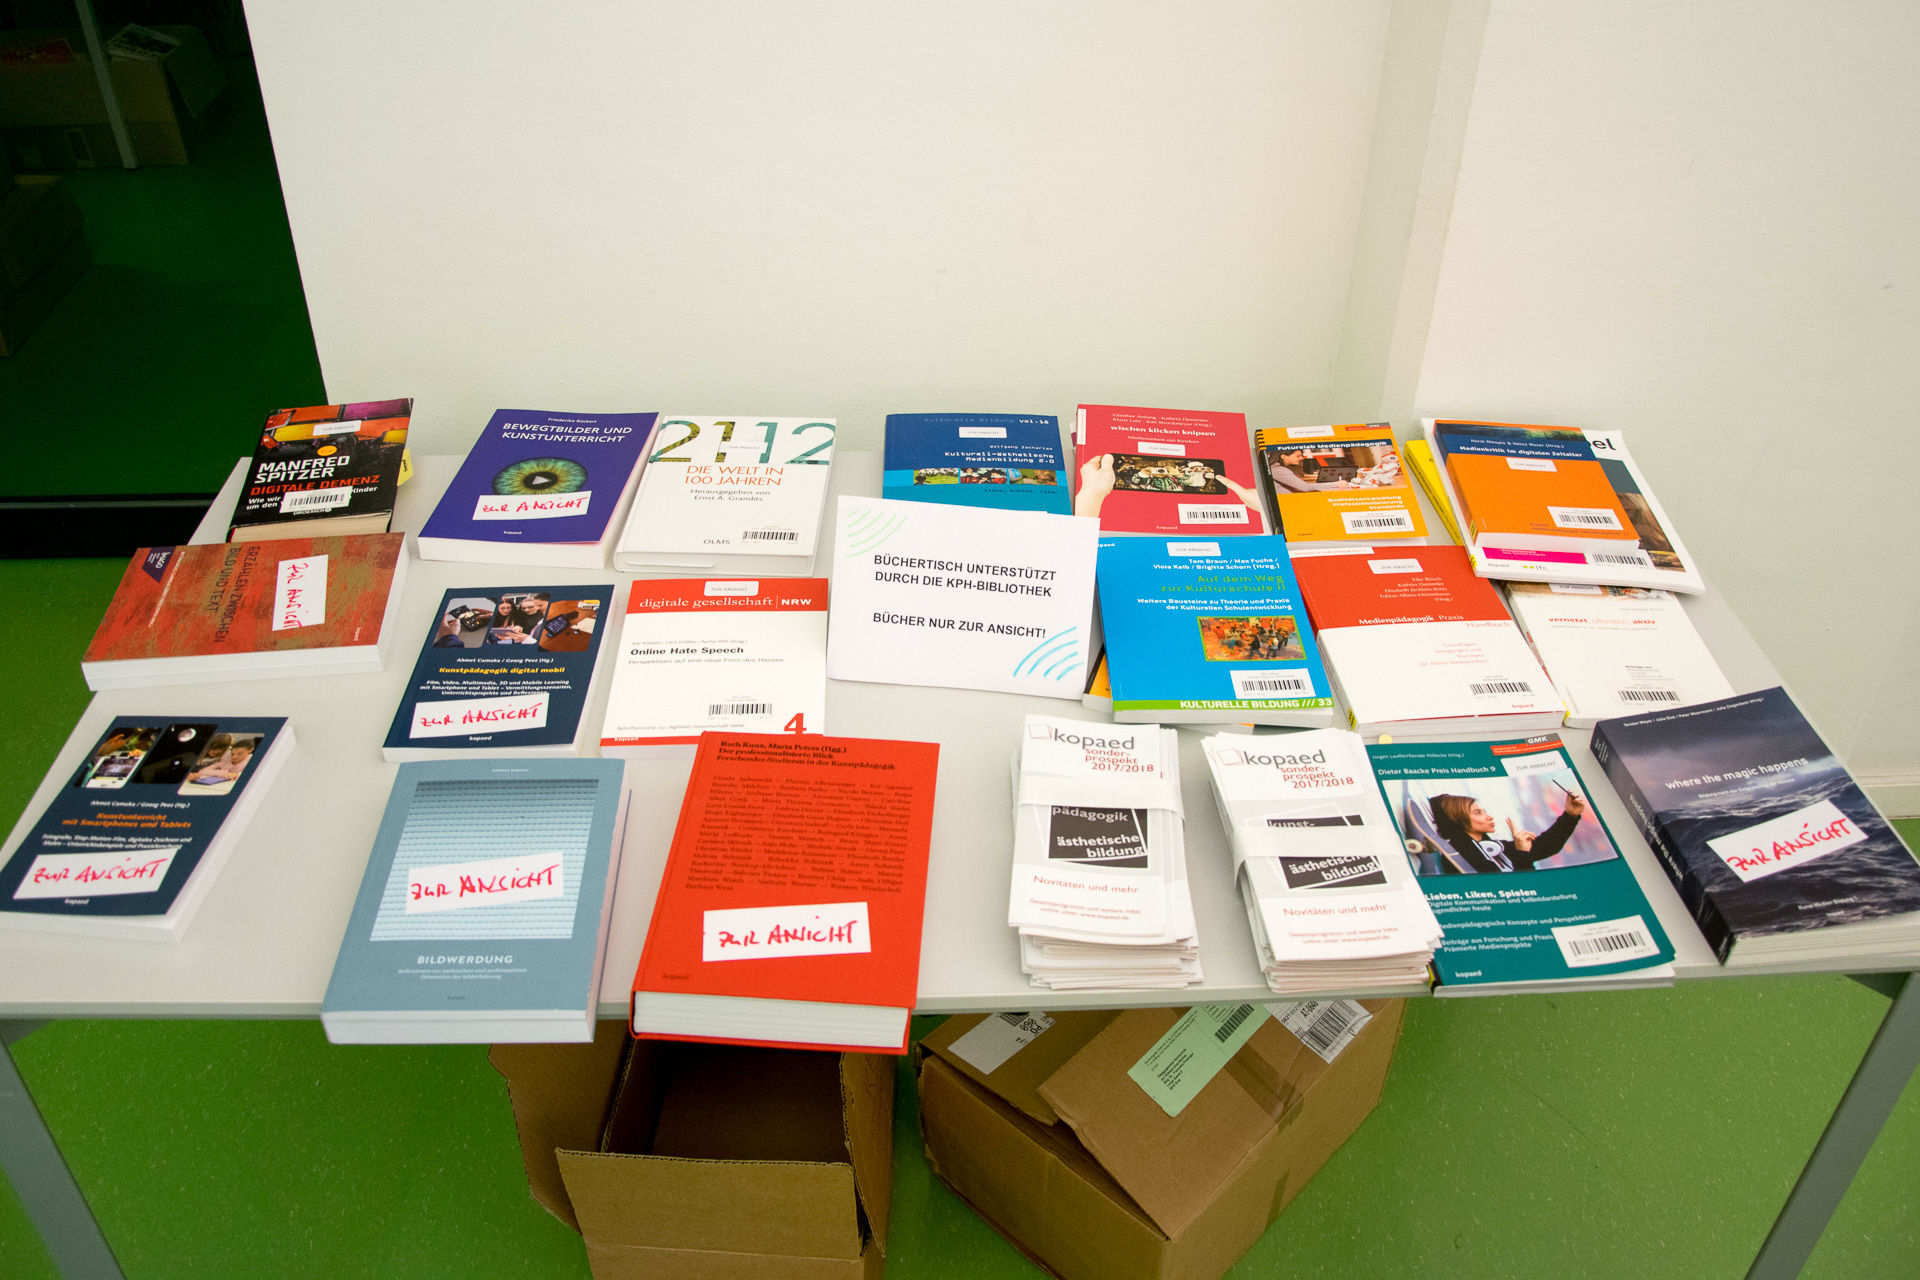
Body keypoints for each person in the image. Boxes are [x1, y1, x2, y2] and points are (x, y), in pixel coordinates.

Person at [1427, 789, 1587, 873]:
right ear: (1457, 820)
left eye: (1484, 811)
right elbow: (1520, 890)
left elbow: (1544, 847)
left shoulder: (1490, 846)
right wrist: (1522, 854)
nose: (1489, 816)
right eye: (1478, 813)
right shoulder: (1462, 853)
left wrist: (1570, 816)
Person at [1267, 447, 1351, 493]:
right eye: (1298, 456)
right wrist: (1337, 484)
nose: (1302, 458)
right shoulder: (1278, 470)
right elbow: (1305, 487)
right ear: (1284, 456)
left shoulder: (1278, 468)